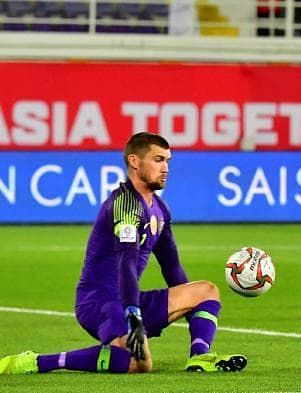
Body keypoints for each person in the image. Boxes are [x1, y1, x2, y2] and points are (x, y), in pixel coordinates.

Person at [0, 132, 247, 374]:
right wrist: (133, 313)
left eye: (167, 161)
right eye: (158, 160)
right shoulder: (125, 204)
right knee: (139, 364)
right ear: (134, 161)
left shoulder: (160, 209)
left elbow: (171, 268)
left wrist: (187, 303)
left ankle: (200, 357)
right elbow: (126, 262)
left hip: (130, 299)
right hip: (99, 302)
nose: (166, 168)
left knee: (206, 290)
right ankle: (38, 362)